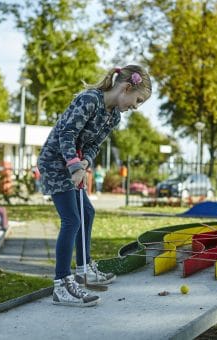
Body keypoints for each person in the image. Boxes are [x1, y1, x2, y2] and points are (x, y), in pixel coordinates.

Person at [37, 65, 152, 307]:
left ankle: (84, 268)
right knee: (72, 220)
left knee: (87, 212)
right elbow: (66, 134)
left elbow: (93, 145)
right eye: (137, 100)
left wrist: (85, 162)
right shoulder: (90, 100)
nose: (135, 106)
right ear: (126, 87)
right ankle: (62, 284)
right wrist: (74, 166)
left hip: (75, 164)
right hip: (55, 162)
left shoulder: (114, 116)